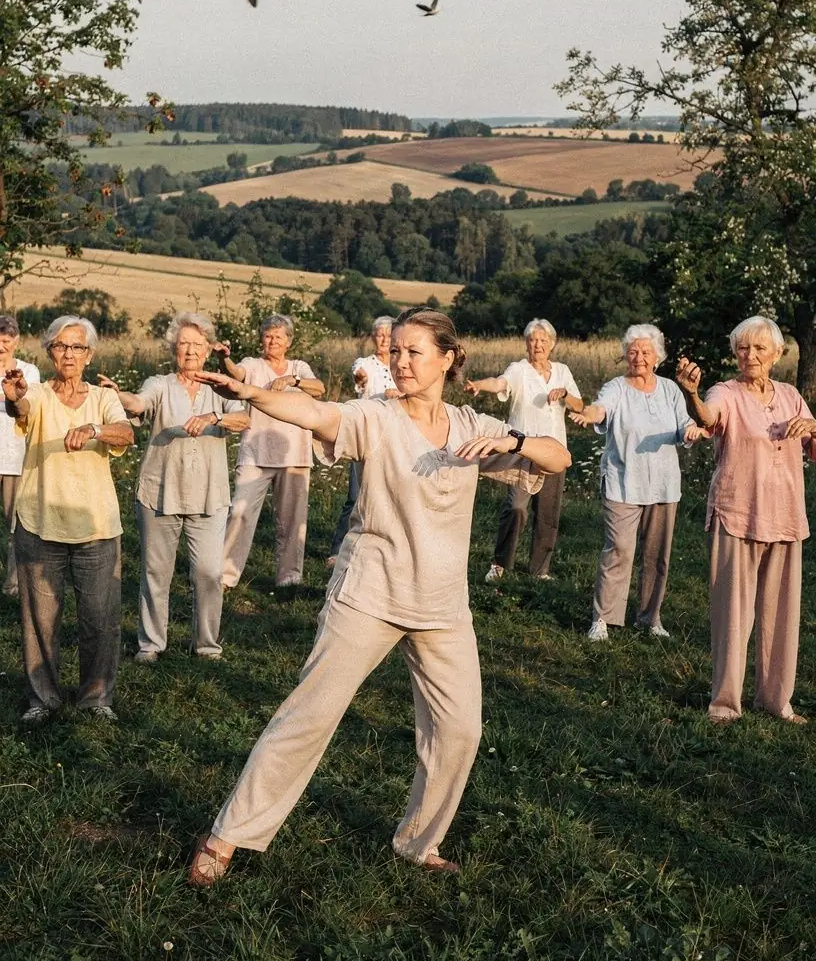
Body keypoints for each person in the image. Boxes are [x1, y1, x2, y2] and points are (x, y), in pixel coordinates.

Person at [187, 306, 571, 885]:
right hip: (369, 592)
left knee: (460, 730)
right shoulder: (376, 417)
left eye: (415, 352)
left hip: (443, 605)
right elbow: (315, 412)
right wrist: (253, 393)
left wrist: (512, 436)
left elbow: (557, 457)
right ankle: (227, 836)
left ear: (448, 359)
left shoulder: (472, 428)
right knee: (309, 716)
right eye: (396, 351)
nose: (401, 361)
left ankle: (419, 841)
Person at [676, 316, 816, 724]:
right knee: (733, 616)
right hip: (737, 514)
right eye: (742, 348)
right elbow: (707, 417)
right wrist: (691, 395)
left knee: (782, 618)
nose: (749, 356)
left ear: (776, 354)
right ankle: (724, 705)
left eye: (758, 349)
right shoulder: (726, 392)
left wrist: (813, 425)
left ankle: (776, 701)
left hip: (786, 516)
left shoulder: (791, 395)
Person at [2, 316, 133, 723]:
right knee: (38, 622)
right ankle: (44, 699)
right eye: (60, 346)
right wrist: (13, 397)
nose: (69, 354)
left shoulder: (102, 397)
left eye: (77, 347)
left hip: (96, 526)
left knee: (100, 619)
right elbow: (21, 407)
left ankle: (97, 700)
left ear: (90, 354)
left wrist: (94, 429)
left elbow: (125, 433)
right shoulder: (38, 392)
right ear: (50, 353)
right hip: (39, 522)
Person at [99, 313, 249, 663]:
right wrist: (118, 396)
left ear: (209, 349)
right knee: (156, 572)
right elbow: (139, 403)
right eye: (183, 344)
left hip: (209, 495)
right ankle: (151, 645)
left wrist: (214, 418)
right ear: (173, 349)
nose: (190, 350)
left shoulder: (220, 386)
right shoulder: (160, 383)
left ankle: (207, 646)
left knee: (209, 573)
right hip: (159, 492)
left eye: (197, 344)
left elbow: (243, 419)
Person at [571, 323, 704, 642]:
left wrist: (690, 431)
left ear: (657, 356)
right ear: (625, 355)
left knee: (658, 554)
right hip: (623, 482)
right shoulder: (616, 387)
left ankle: (650, 617)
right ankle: (603, 619)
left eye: (646, 351)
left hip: (663, 485)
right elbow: (601, 408)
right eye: (632, 351)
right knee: (619, 549)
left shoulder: (670, 390)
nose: (639, 357)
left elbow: (685, 423)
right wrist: (589, 415)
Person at [465, 318, 583, 582]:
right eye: (533, 340)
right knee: (516, 507)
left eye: (543, 340)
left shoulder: (562, 371)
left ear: (552, 344)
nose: (537, 345)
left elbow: (579, 405)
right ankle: (500, 564)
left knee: (548, 514)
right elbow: (499, 383)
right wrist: (479, 385)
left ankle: (540, 570)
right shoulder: (519, 369)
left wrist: (564, 393)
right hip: (521, 450)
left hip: (554, 452)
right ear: (526, 344)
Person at [217, 315, 325, 590]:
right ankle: (225, 577)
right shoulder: (253, 365)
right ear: (261, 339)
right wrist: (223, 358)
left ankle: (289, 579)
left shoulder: (299, 367)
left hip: (295, 455)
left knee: (292, 519)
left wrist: (294, 380)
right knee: (239, 512)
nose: (272, 341)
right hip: (256, 451)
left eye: (278, 336)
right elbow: (235, 374)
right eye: (267, 335)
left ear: (288, 341)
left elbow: (320, 389)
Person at [327, 314, 400, 566]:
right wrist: (361, 378)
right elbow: (359, 375)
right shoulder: (366, 363)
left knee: (390, 497)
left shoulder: (402, 365)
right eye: (378, 335)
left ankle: (382, 552)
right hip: (367, 435)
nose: (382, 340)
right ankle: (337, 550)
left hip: (396, 437)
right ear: (372, 337)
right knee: (356, 496)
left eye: (388, 336)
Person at [0, 316, 40, 597]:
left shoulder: (29, 371)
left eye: (6, 341)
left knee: (14, 522)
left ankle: (13, 582)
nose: (1, 346)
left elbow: (28, 405)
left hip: (14, 458)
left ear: (16, 342)